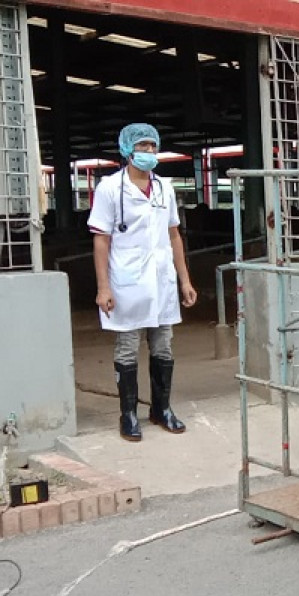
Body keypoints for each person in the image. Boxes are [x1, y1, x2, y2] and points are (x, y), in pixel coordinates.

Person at [89, 123, 197, 442]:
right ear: (127, 149)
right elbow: (101, 241)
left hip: (161, 283)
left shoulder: (165, 187)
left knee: (163, 345)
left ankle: (161, 409)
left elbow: (173, 235)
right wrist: (103, 287)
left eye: (153, 146)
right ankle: (128, 415)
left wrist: (185, 280)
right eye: (143, 146)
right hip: (127, 283)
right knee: (127, 349)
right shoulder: (110, 188)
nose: (149, 152)